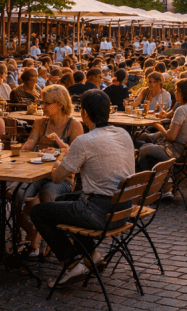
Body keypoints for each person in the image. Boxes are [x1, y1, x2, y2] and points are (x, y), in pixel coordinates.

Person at [28, 90, 136, 288]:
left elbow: (57, 177)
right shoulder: (124, 134)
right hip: (123, 208)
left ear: (84, 113)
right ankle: (92, 255)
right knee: (62, 201)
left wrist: (59, 160)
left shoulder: (85, 140)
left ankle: (72, 263)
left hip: (99, 213)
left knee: (38, 212)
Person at [14, 85, 84, 257]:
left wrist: (59, 151)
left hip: (62, 178)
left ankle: (49, 240)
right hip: (36, 174)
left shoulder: (74, 126)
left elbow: (76, 158)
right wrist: (21, 149)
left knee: (48, 196)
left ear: (59, 104)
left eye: (46, 103)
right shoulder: (40, 122)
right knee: (16, 195)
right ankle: (33, 234)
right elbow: (30, 142)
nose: (42, 106)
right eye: (42, 102)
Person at [136, 78, 187, 172]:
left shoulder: (182, 110)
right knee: (148, 139)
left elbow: (171, 137)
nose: (175, 92)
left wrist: (158, 126)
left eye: (177, 90)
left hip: (177, 153)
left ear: (183, 93)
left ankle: (149, 178)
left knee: (143, 148)